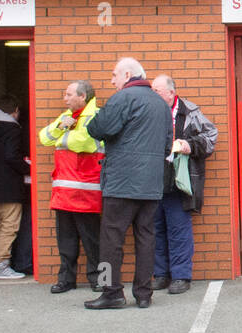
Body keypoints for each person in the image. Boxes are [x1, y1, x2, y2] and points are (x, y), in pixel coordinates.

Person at [82, 58, 172, 310]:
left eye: (114, 75)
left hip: (122, 182)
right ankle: (144, 294)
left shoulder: (123, 98)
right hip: (152, 184)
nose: (112, 81)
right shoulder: (161, 104)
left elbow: (98, 128)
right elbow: (167, 145)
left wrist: (97, 116)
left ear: (128, 74)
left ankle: (112, 293)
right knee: (146, 238)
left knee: (111, 239)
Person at [150, 75, 217, 294]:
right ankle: (160, 274)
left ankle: (180, 276)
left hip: (179, 181)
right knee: (155, 229)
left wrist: (189, 144)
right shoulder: (148, 111)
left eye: (157, 91)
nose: (153, 94)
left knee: (179, 230)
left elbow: (211, 136)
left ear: (171, 92)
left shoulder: (189, 111)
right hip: (151, 181)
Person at [38, 79, 104, 294]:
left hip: (86, 191)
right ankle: (66, 280)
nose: (64, 99)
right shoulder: (67, 117)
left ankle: (101, 280)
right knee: (65, 242)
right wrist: (60, 128)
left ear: (82, 96)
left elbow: (83, 142)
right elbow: (44, 137)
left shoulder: (95, 116)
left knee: (94, 242)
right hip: (65, 192)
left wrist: (61, 135)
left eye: (68, 94)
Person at [0, 94, 31, 280]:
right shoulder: (12, 130)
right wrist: (28, 168)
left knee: (0, 226)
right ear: (15, 111)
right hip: (10, 188)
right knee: (9, 227)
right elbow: (12, 157)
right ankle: (1, 266)